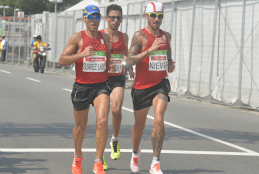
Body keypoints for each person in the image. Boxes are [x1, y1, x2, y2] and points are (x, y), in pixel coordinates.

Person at [58, 5, 116, 174]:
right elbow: (62, 60)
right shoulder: (77, 38)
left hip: (101, 85)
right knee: (80, 128)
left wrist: (110, 65)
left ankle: (98, 161)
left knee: (103, 122)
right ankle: (77, 156)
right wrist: (81, 55)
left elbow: (108, 59)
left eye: (96, 17)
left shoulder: (105, 37)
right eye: (90, 17)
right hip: (82, 86)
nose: (93, 20)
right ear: (83, 19)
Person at [126, 2, 175, 174]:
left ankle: (155, 162)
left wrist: (170, 64)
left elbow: (168, 55)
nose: (157, 18)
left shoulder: (167, 36)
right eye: (153, 15)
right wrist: (149, 50)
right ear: (146, 16)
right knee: (139, 125)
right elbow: (129, 61)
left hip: (160, 84)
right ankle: (135, 153)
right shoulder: (139, 36)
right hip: (141, 86)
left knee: (159, 119)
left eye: (160, 15)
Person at [99, 4, 135, 170]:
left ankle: (114, 140)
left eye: (118, 17)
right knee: (103, 118)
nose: (115, 20)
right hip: (101, 79)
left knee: (117, 110)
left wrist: (130, 65)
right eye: (112, 17)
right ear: (106, 18)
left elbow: (125, 53)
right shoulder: (100, 36)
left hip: (118, 78)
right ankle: (101, 156)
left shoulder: (124, 36)